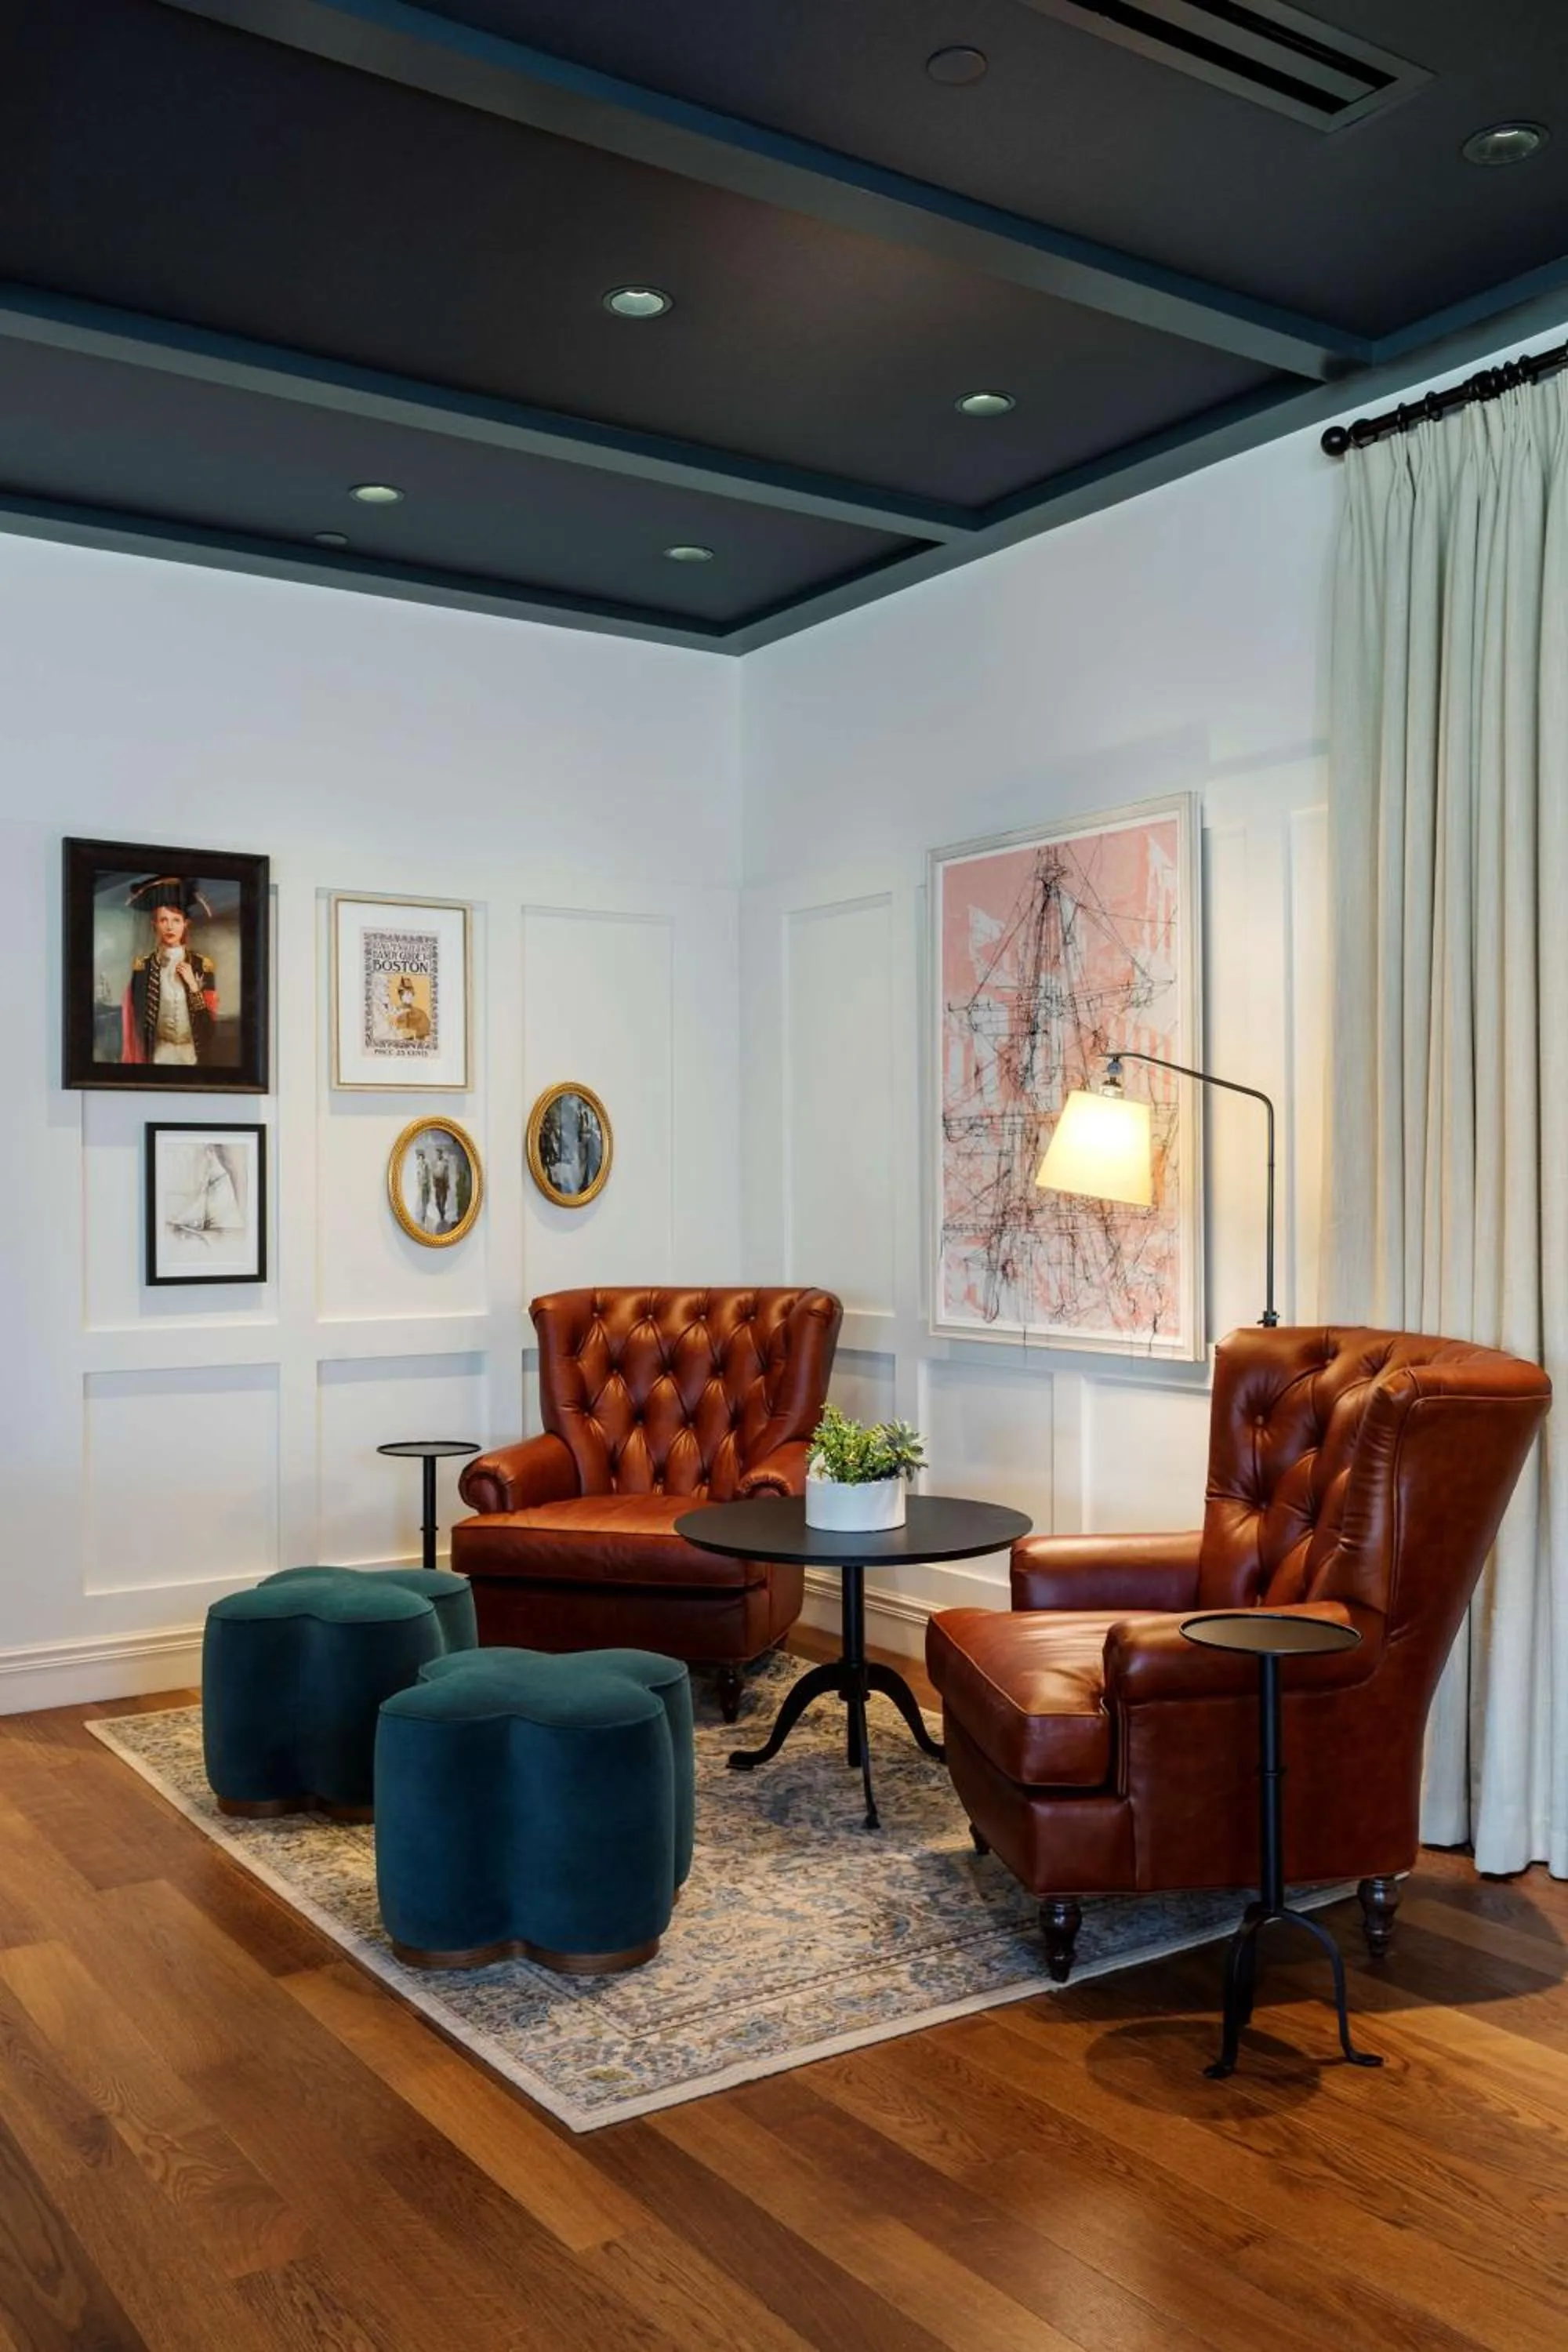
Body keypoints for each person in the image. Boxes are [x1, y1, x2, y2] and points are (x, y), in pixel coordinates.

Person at [121, 880, 218, 1066]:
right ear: (155, 924)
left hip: (192, 1057)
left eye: (176, 920)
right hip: (158, 1057)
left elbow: (208, 1029)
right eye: (163, 920)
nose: (170, 927)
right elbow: (137, 1023)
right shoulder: (143, 968)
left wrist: (193, 986)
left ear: (185, 924)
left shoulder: (202, 966)